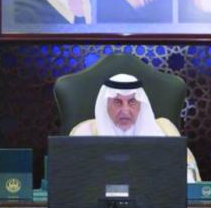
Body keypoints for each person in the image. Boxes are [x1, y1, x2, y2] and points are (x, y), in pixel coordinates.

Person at [69, 73, 201, 180]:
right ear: (105, 104)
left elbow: (188, 182)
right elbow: (72, 184)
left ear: (141, 104)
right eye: (117, 102)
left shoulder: (164, 132)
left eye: (132, 101)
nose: (125, 110)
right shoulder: (84, 133)